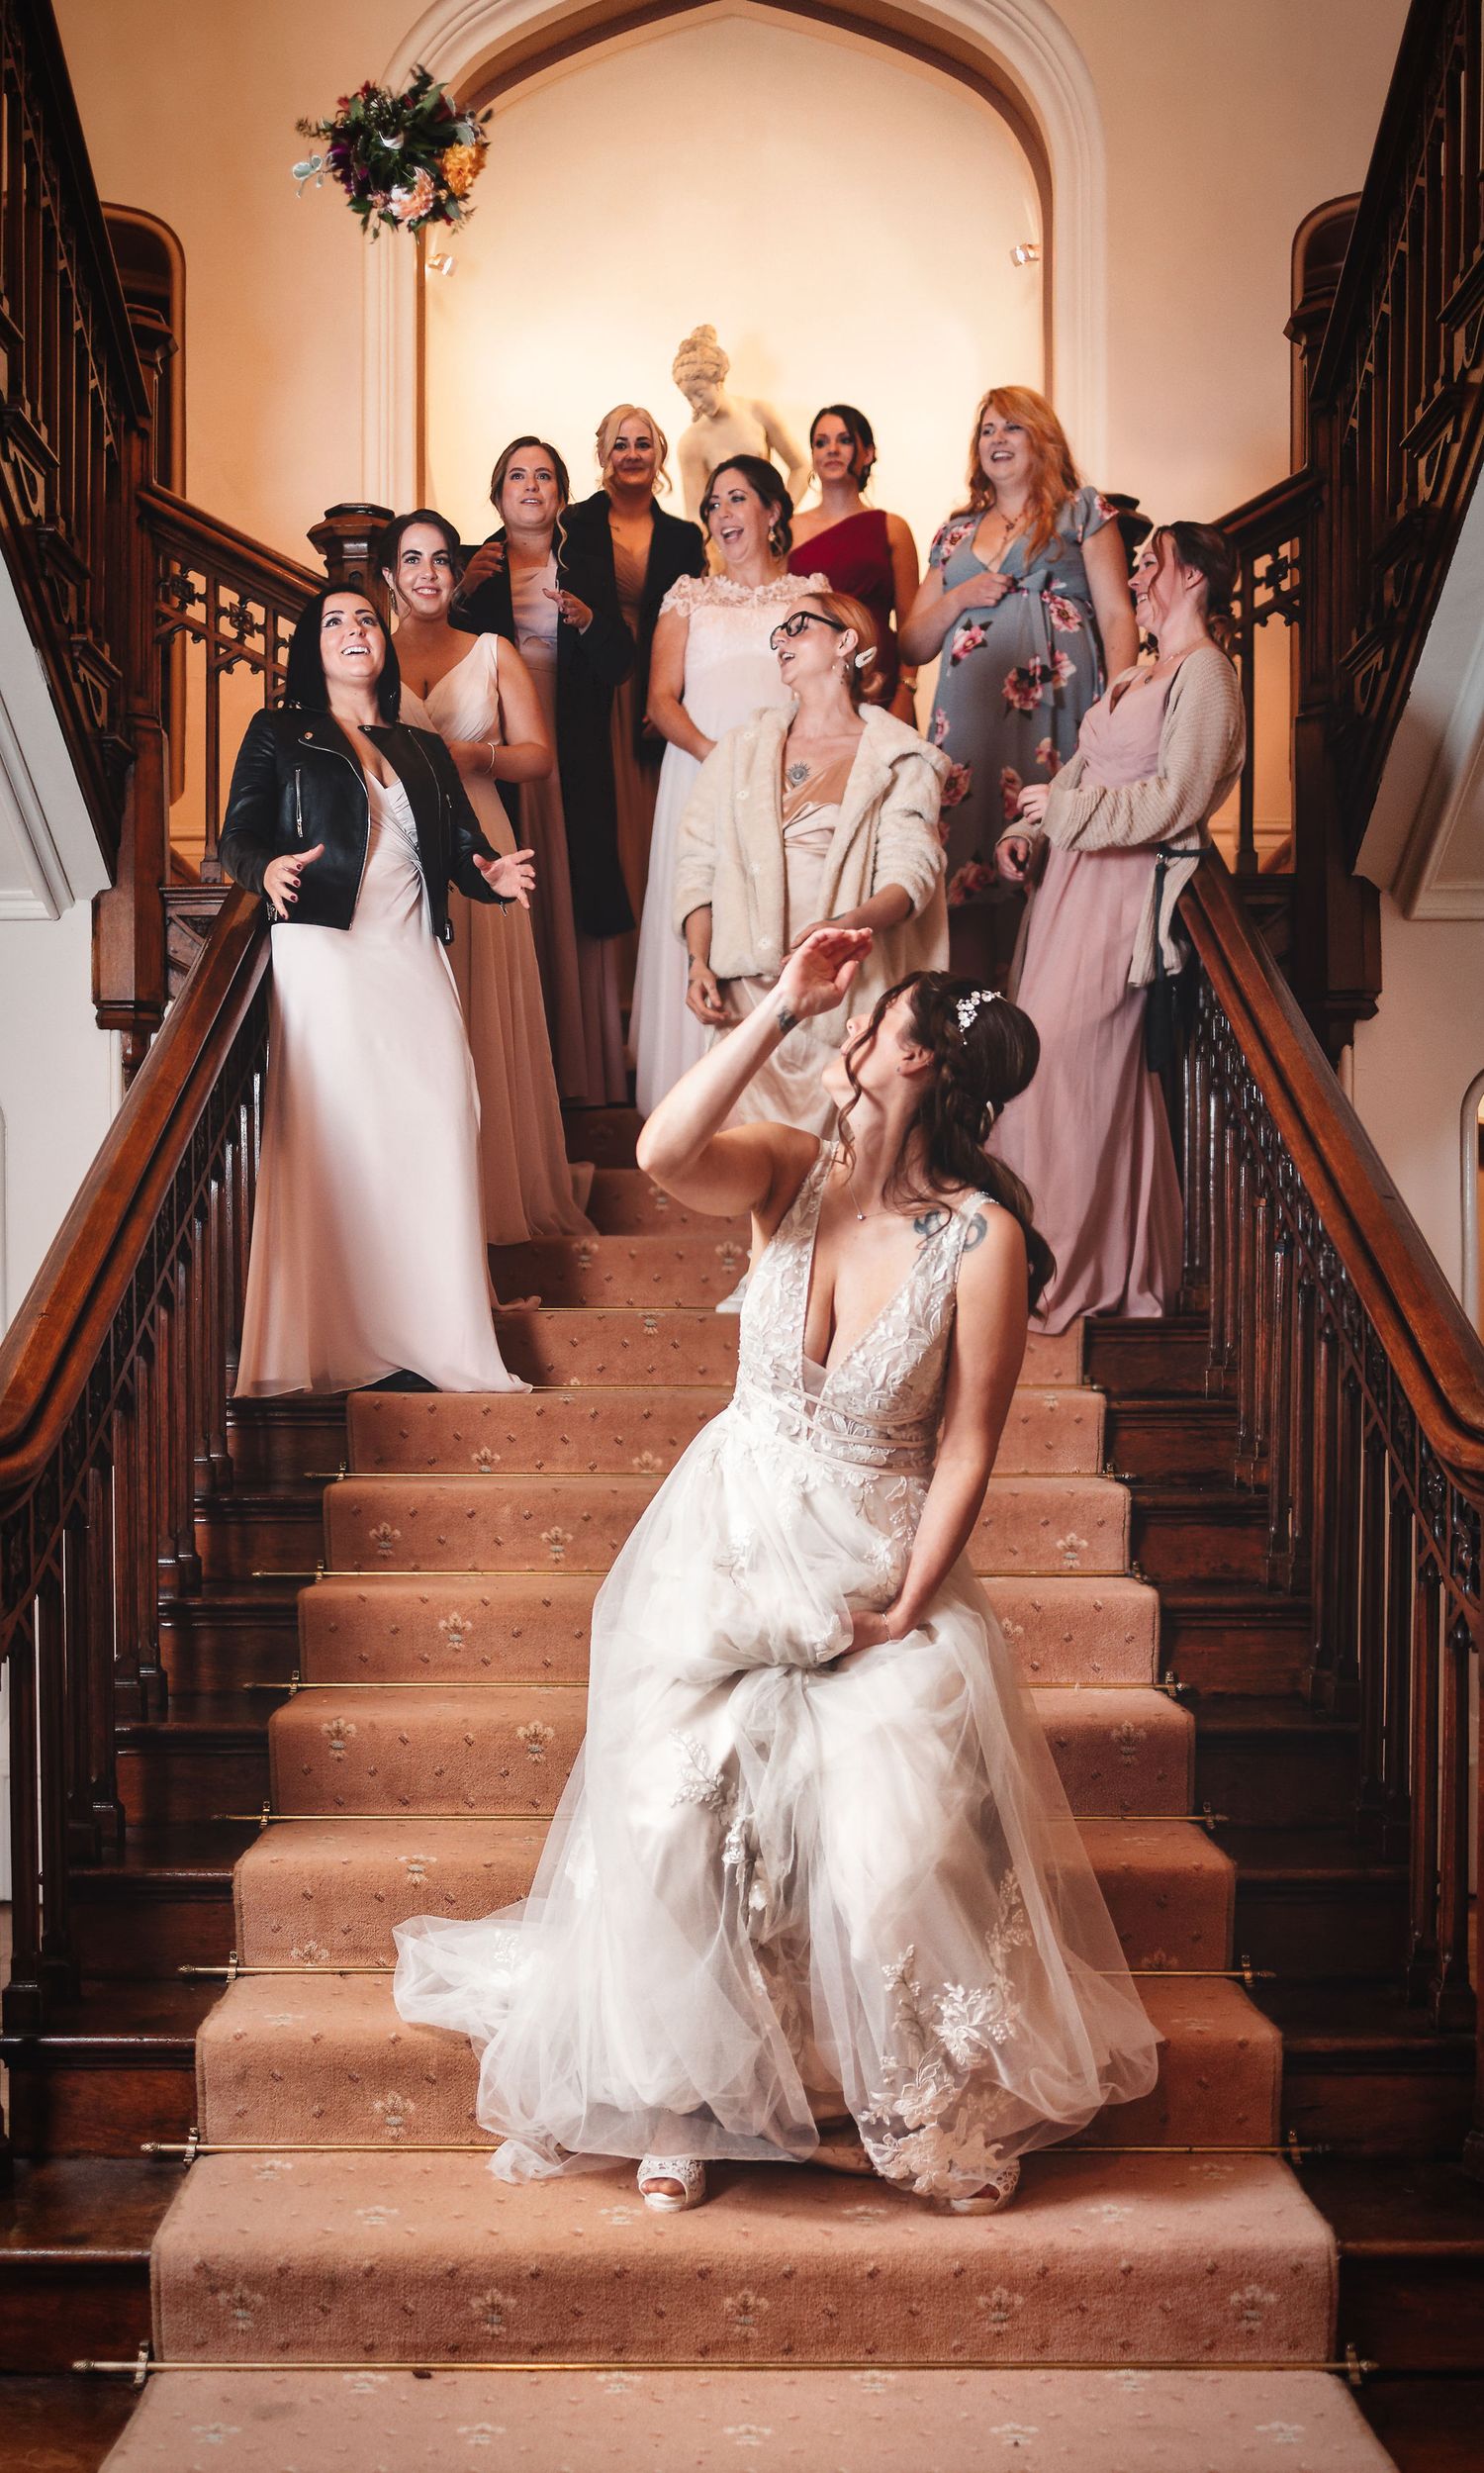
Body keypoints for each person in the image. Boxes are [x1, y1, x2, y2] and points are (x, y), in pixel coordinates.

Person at [394, 931, 1160, 2212]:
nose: (850, 1030)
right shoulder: (790, 1168)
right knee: (671, 1803)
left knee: (886, 1829)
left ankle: (901, 2090)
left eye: (871, 1018)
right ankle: (675, 2092)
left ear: (913, 1053)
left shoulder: (982, 1236)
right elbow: (660, 1151)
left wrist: (915, 1599)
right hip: (728, 1550)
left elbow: (971, 1432)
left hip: (873, 1571)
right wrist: (782, 1011)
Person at [222, 587, 534, 1397]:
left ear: (382, 642)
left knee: (439, 1112)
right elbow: (239, 834)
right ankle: (337, 1337)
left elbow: (464, 846)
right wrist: (265, 869)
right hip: (323, 947)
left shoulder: (420, 744)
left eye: (365, 618)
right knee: (342, 1132)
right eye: (334, 622)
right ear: (311, 648)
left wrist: (492, 876)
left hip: (409, 946)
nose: (354, 630)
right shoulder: (277, 731)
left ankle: (438, 1333)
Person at [991, 523, 1245, 1335]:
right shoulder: (1137, 671)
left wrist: (1063, 814)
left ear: (1197, 575)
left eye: (1151, 561)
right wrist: (1031, 832)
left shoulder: (1208, 676)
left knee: (1069, 1065)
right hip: (1067, 889)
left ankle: (1061, 1269)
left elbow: (1177, 799)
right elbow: (1082, 770)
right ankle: (1034, 1259)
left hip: (1125, 896)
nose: (1135, 573)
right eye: (1134, 561)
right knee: (1034, 1057)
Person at [379, 509, 595, 1244]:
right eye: (412, 560)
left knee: (483, 1013)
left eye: (441, 559)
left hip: (484, 840)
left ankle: (496, 1194)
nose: (429, 574)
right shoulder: (368, 653)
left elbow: (540, 755)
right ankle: (422, 1212)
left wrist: (480, 759)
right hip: (401, 846)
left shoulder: (493, 650)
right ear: (389, 577)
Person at [674, 589, 948, 1136]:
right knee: (755, 1179)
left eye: (798, 625)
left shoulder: (898, 755)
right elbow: (696, 864)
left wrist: (842, 932)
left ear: (845, 642)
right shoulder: (739, 749)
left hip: (841, 998)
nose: (781, 640)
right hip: (747, 1004)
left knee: (842, 1185)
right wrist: (699, 961)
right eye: (778, 631)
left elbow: (911, 873)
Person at [899, 386, 1139, 983]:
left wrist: (1120, 703)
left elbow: (1115, 614)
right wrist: (959, 596)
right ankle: (974, 1026)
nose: (997, 440)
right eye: (987, 430)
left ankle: (1036, 1018)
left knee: (1045, 859)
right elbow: (912, 642)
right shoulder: (955, 533)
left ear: (1043, 439)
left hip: (1059, 711)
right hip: (970, 720)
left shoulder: (1084, 510)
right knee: (968, 871)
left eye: (1012, 428)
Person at [631, 455, 827, 1113]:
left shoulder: (809, 595)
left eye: (735, 499)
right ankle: (693, 1112)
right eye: (712, 504)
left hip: (786, 782)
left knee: (779, 914)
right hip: (702, 773)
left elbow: (828, 691)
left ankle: (780, 1104)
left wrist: (783, 767)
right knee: (705, 912)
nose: (720, 515)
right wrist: (721, 761)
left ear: (773, 511)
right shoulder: (690, 596)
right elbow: (660, 701)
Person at [450, 436, 634, 1105]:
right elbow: (435, 647)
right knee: (515, 890)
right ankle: (520, 1074)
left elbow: (620, 663)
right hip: (497, 750)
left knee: (574, 887)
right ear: (497, 493)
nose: (532, 486)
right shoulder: (474, 564)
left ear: (560, 492)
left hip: (573, 742)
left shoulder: (584, 559)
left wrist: (588, 622)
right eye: (518, 476)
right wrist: (462, 591)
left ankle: (582, 1076)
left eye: (545, 476)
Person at [565, 408, 706, 1001]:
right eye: (619, 443)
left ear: (659, 454)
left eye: (642, 443)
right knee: (601, 836)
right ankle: (608, 993)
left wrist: (672, 694)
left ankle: (653, 990)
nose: (630, 453)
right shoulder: (573, 524)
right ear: (602, 453)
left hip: (657, 691)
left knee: (652, 834)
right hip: (588, 690)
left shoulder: (682, 536)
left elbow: (697, 622)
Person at [788, 406, 919, 719]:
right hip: (811, 682)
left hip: (878, 678)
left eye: (844, 440)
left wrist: (906, 691)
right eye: (821, 442)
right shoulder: (787, 531)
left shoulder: (892, 527)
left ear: (868, 452)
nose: (831, 449)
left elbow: (911, 630)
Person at [671, 325, 809, 525]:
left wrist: (781, 517)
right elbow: (696, 517)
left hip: (767, 532)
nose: (696, 404)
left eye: (700, 393)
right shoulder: (691, 442)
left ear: (717, 380)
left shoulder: (759, 413)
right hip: (727, 538)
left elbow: (801, 468)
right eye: (688, 398)